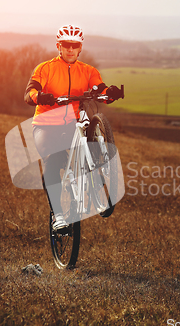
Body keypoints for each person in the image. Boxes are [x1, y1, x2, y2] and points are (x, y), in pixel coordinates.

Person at [24, 24, 122, 231]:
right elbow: (30, 91)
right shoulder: (45, 68)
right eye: (66, 45)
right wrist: (40, 96)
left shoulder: (88, 71)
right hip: (46, 126)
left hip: (72, 125)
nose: (70, 49)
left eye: (74, 45)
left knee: (87, 138)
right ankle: (58, 216)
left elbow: (99, 87)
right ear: (59, 47)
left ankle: (94, 173)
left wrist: (109, 91)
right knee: (53, 161)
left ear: (80, 48)